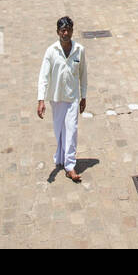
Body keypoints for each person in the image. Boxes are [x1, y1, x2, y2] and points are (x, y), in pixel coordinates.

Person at [36, 16, 87, 180]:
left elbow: (83, 75)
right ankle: (60, 156)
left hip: (72, 98)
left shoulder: (79, 50)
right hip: (56, 97)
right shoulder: (51, 51)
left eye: (69, 30)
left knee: (71, 130)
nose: (66, 33)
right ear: (57, 32)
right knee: (59, 129)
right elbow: (43, 76)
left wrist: (83, 96)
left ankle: (70, 166)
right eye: (63, 30)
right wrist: (41, 100)